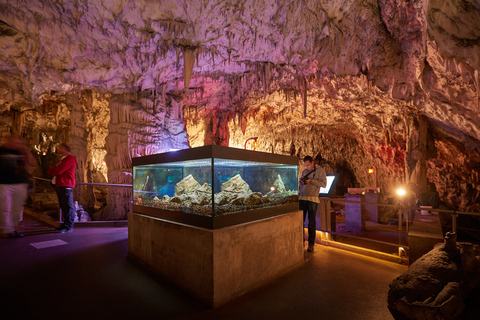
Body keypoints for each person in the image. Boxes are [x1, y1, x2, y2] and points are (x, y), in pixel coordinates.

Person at [0, 135, 36, 238]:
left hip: (20, 184)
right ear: (8, 141)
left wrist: (26, 150)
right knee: (4, 208)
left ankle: (12, 229)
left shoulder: (22, 153)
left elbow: (32, 164)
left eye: (19, 143)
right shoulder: (1, 151)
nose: (16, 145)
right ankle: (4, 228)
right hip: (3, 184)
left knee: (16, 209)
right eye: (15, 142)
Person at [299, 155, 327, 252]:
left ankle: (311, 244)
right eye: (305, 165)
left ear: (312, 162)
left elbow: (324, 184)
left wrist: (311, 181)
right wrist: (301, 182)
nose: (306, 167)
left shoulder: (320, 171)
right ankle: (300, 241)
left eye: (307, 165)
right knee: (299, 222)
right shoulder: (305, 171)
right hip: (302, 198)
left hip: (312, 199)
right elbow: (302, 185)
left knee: (311, 223)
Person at [48, 143, 77, 233]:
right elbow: (50, 170)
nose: (57, 149)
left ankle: (68, 226)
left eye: (59, 148)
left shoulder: (70, 159)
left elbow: (58, 170)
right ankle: (64, 224)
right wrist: (54, 170)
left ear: (64, 149)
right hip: (59, 184)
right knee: (63, 206)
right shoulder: (60, 160)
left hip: (66, 184)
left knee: (68, 206)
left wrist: (54, 170)